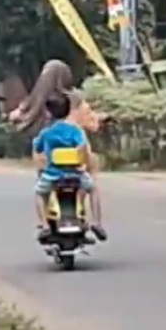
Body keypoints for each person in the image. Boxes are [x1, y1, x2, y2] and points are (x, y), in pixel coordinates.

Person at [33, 93, 106, 241]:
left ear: (48, 113)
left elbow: (38, 148)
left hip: (53, 174)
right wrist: (82, 164)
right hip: (75, 174)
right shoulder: (75, 131)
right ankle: (96, 223)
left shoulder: (47, 133)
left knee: (39, 193)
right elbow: (82, 146)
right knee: (93, 189)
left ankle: (45, 225)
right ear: (69, 111)